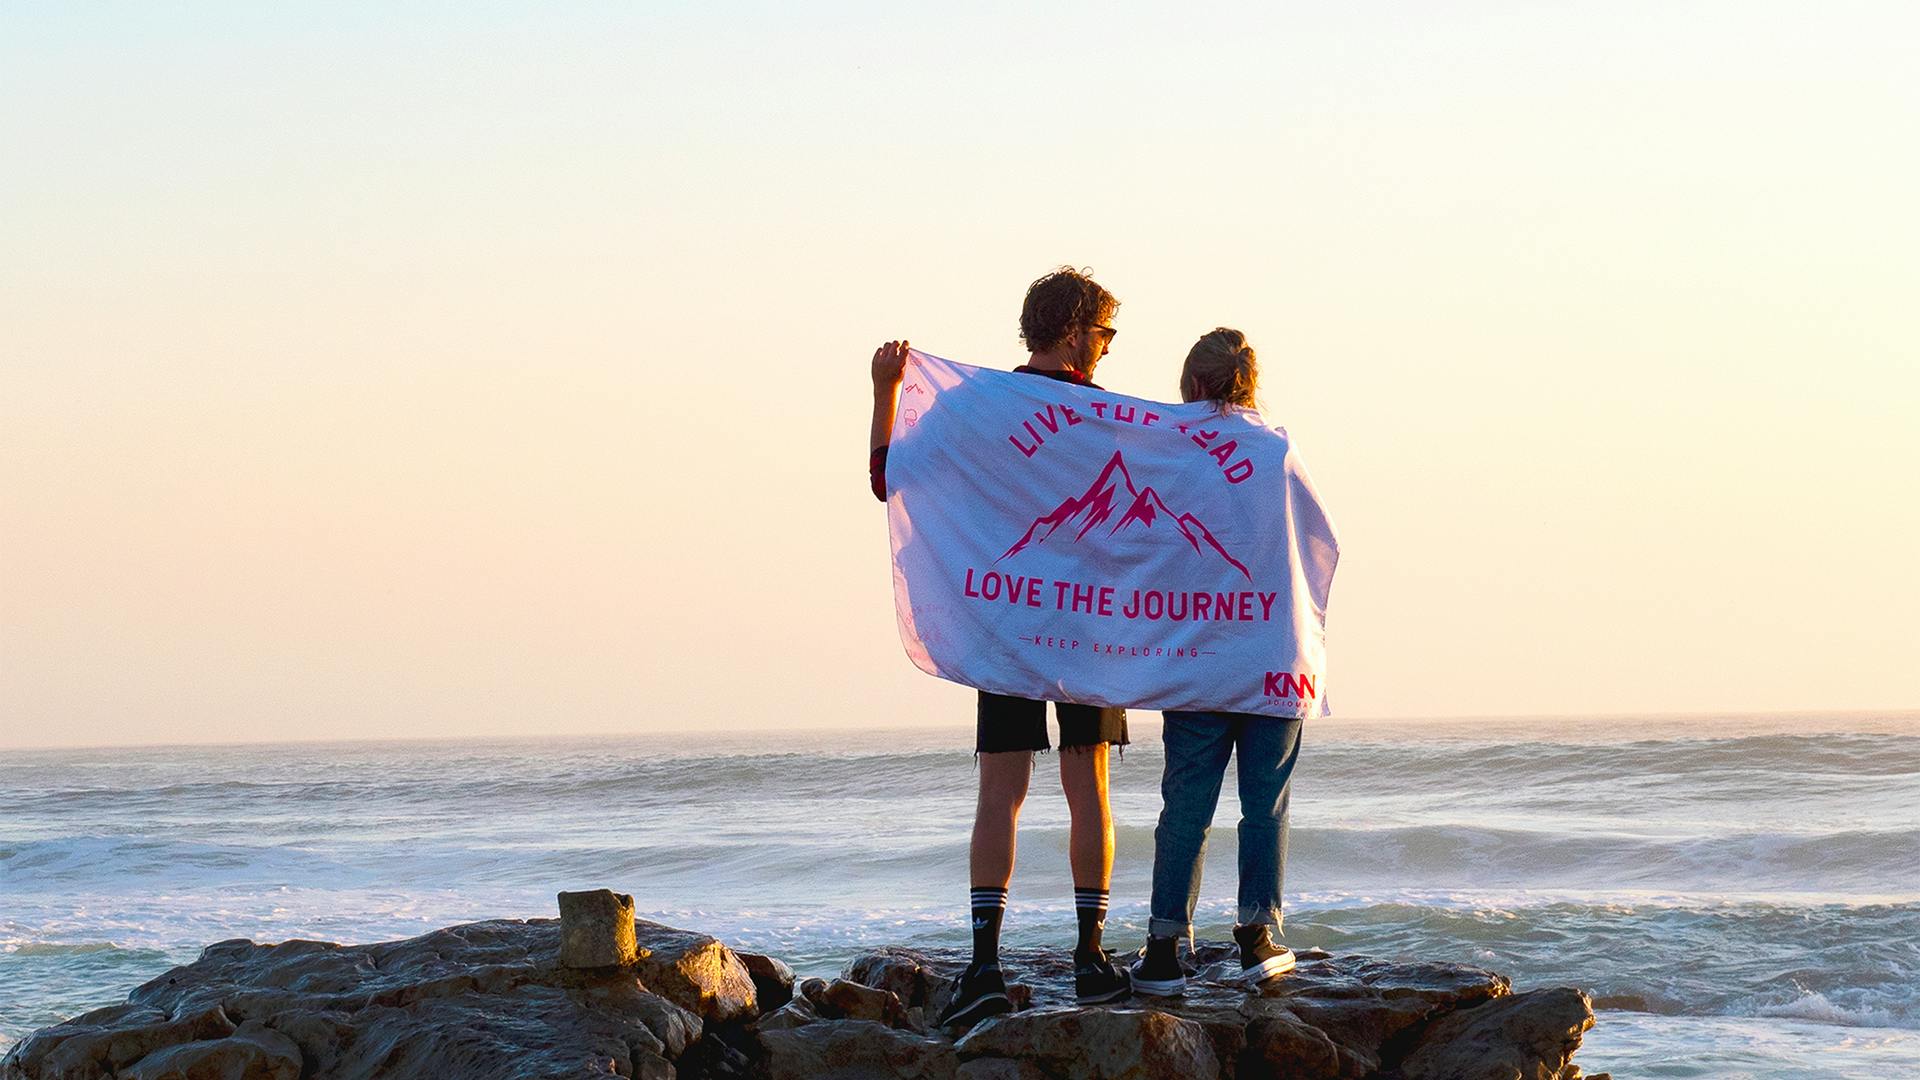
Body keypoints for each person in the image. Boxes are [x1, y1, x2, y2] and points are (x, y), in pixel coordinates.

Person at [867, 267, 1133, 1027]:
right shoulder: (1112, 418)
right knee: (1091, 790)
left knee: (1001, 793)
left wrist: (886, 392)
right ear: (1079, 331)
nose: (1108, 349)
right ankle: (1090, 960)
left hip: (1008, 621)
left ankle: (985, 966)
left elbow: (891, 478)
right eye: (1106, 333)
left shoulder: (976, 406)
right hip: (1088, 625)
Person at [1129, 328, 1304, 996]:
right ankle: (1257, 935)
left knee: (1186, 807)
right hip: (1269, 655)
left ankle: (1166, 944)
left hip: (1199, 654)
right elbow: (1319, 546)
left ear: (1195, 386)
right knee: (1266, 805)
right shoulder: (1279, 452)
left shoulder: (1169, 452)